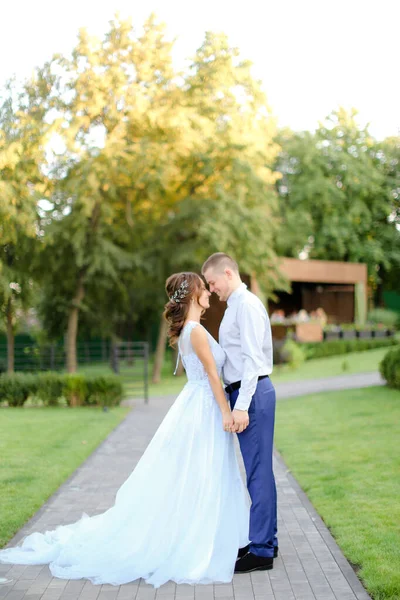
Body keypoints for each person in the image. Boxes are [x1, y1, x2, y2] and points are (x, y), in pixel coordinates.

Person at [0, 272, 250, 588]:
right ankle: (196, 537)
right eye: (204, 289)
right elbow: (213, 376)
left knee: (197, 471)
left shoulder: (188, 331)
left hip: (196, 404)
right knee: (202, 470)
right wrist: (227, 413)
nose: (209, 294)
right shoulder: (196, 331)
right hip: (205, 407)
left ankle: (202, 530)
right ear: (192, 296)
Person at [202, 253, 278, 573]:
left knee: (257, 472)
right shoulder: (235, 305)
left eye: (212, 282)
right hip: (249, 394)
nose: (211, 288)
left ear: (228, 273)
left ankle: (261, 549)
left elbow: (251, 360)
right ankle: (265, 540)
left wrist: (241, 406)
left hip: (252, 395)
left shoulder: (245, 306)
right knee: (258, 471)